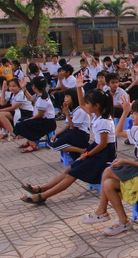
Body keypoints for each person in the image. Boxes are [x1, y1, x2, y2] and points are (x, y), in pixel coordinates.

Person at [19, 73, 116, 204]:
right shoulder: (98, 114)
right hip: (96, 151)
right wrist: (78, 87)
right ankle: (42, 189)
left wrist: (86, 154)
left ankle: (43, 196)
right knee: (70, 169)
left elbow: (103, 145)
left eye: (89, 103)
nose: (85, 105)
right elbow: (81, 105)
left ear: (96, 106)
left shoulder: (104, 121)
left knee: (73, 174)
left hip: (103, 155)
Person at [81, 96, 138, 236]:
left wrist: (125, 161)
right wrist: (125, 112)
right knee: (107, 183)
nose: (132, 115)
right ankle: (120, 219)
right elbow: (118, 132)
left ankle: (103, 212)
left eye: (135, 113)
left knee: (108, 172)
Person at [13, 77, 56, 153]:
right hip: (42, 120)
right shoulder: (40, 94)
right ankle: (29, 141)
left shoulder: (42, 98)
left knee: (23, 124)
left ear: (34, 87)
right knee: (21, 120)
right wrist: (24, 88)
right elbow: (30, 98)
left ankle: (33, 144)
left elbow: (40, 114)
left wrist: (30, 119)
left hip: (47, 123)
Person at [48, 88, 91, 160]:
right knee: (55, 140)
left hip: (82, 135)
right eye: (65, 96)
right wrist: (56, 134)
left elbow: (73, 127)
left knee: (55, 145)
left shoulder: (80, 110)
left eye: (68, 97)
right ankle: (78, 150)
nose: (65, 99)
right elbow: (67, 126)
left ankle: (81, 150)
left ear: (74, 98)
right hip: (74, 132)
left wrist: (67, 114)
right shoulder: (72, 109)